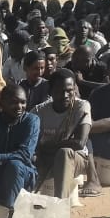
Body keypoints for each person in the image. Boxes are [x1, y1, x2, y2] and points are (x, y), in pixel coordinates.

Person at [31, 69, 93, 197]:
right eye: (60, 91)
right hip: (46, 156)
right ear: (51, 92)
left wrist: (46, 146)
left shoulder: (81, 106)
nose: (65, 95)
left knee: (64, 153)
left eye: (69, 91)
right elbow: (30, 140)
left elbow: (79, 143)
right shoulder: (40, 111)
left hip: (76, 158)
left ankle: (60, 203)